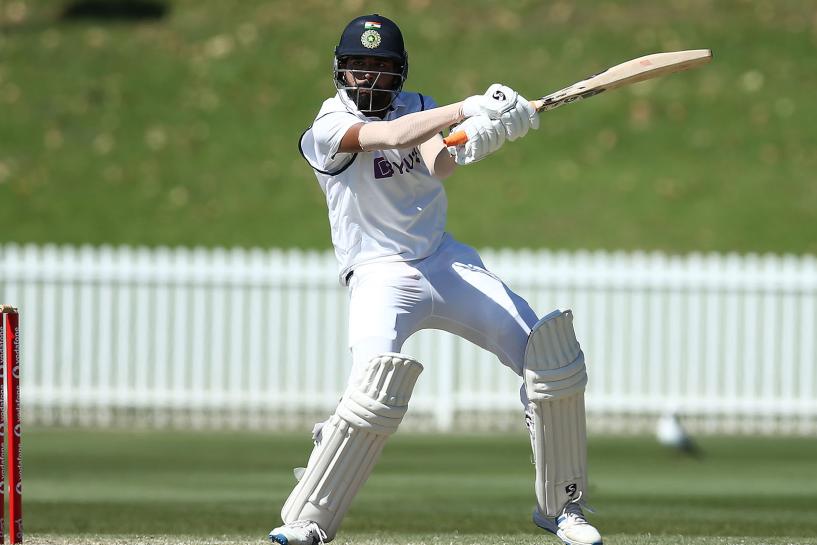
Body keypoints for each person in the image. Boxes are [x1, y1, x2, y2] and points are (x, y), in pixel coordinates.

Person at [269, 13, 602, 545]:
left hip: (441, 259)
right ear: (340, 71)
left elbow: (438, 162)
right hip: (379, 273)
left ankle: (563, 507)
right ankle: (310, 517)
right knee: (371, 393)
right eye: (359, 68)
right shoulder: (326, 127)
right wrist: (468, 107)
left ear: (399, 74)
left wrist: (484, 136)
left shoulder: (418, 106)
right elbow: (388, 136)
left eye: (380, 69)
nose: (369, 80)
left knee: (551, 358)